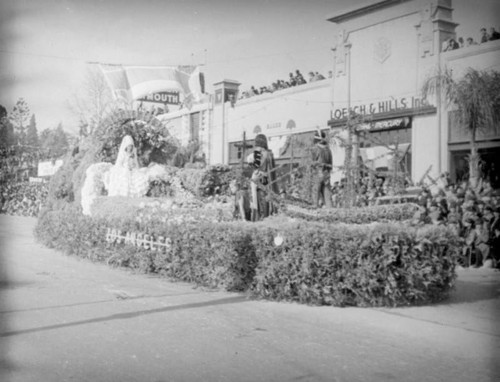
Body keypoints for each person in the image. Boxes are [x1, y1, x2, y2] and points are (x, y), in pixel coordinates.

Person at [247, 134, 278, 221]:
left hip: (258, 179)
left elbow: (257, 165)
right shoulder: (269, 153)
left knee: (257, 201)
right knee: (266, 201)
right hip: (266, 179)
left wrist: (250, 162)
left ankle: (259, 219)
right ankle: (267, 217)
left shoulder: (258, 151)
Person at [311, 130, 333, 208]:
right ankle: (330, 211)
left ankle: (315, 210)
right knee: (327, 194)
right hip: (327, 173)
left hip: (318, 172)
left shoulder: (315, 149)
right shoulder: (328, 150)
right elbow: (331, 164)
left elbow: (312, 162)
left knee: (315, 193)